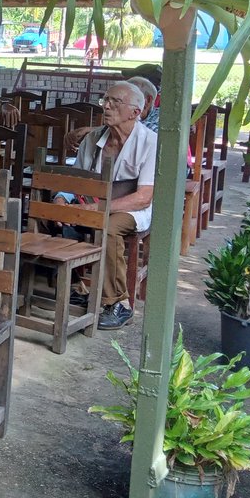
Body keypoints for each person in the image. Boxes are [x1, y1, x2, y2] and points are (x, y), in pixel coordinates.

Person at [66, 81, 156, 331]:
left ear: (135, 112)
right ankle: (75, 286)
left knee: (107, 227)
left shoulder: (150, 142)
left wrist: (96, 210)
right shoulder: (94, 138)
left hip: (131, 208)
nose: (106, 106)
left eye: (115, 102)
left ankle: (118, 303)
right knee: (49, 215)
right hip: (92, 200)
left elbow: (143, 198)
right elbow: (77, 178)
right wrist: (61, 197)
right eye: (105, 100)